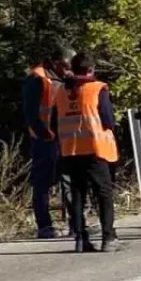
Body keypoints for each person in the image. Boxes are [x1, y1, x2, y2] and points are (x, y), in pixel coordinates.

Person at [51, 53, 122, 252]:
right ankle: (108, 238)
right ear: (91, 69)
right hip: (95, 148)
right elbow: (108, 120)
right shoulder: (97, 89)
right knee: (103, 193)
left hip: (70, 149)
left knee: (77, 193)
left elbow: (53, 123)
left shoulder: (61, 93)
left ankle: (81, 239)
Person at [22, 46, 75, 239]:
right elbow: (31, 113)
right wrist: (45, 135)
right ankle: (44, 226)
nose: (70, 69)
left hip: (64, 138)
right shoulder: (37, 78)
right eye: (67, 64)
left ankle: (76, 223)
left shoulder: (63, 78)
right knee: (42, 182)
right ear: (55, 62)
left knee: (69, 179)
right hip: (44, 140)